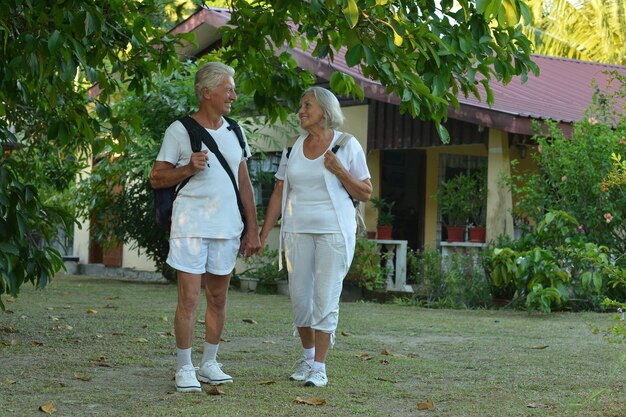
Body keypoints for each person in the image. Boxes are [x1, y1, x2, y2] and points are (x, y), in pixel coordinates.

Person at [149, 61, 260, 393]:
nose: (234, 96)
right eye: (229, 89)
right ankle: (184, 366)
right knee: (189, 298)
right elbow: (156, 178)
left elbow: (244, 182)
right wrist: (186, 169)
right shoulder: (180, 130)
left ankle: (210, 362)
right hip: (190, 227)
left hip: (227, 228)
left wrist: (252, 228)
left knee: (219, 297)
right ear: (207, 91)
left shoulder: (235, 131)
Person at [258, 86, 372, 387]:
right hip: (296, 230)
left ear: (325, 110)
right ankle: (307, 358)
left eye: (307, 105)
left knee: (325, 297)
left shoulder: (347, 145)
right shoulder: (292, 146)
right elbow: (280, 189)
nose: (301, 111)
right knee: (300, 299)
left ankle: (320, 366)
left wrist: (340, 171)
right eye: (300, 105)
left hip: (334, 230)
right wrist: (263, 231)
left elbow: (365, 192)